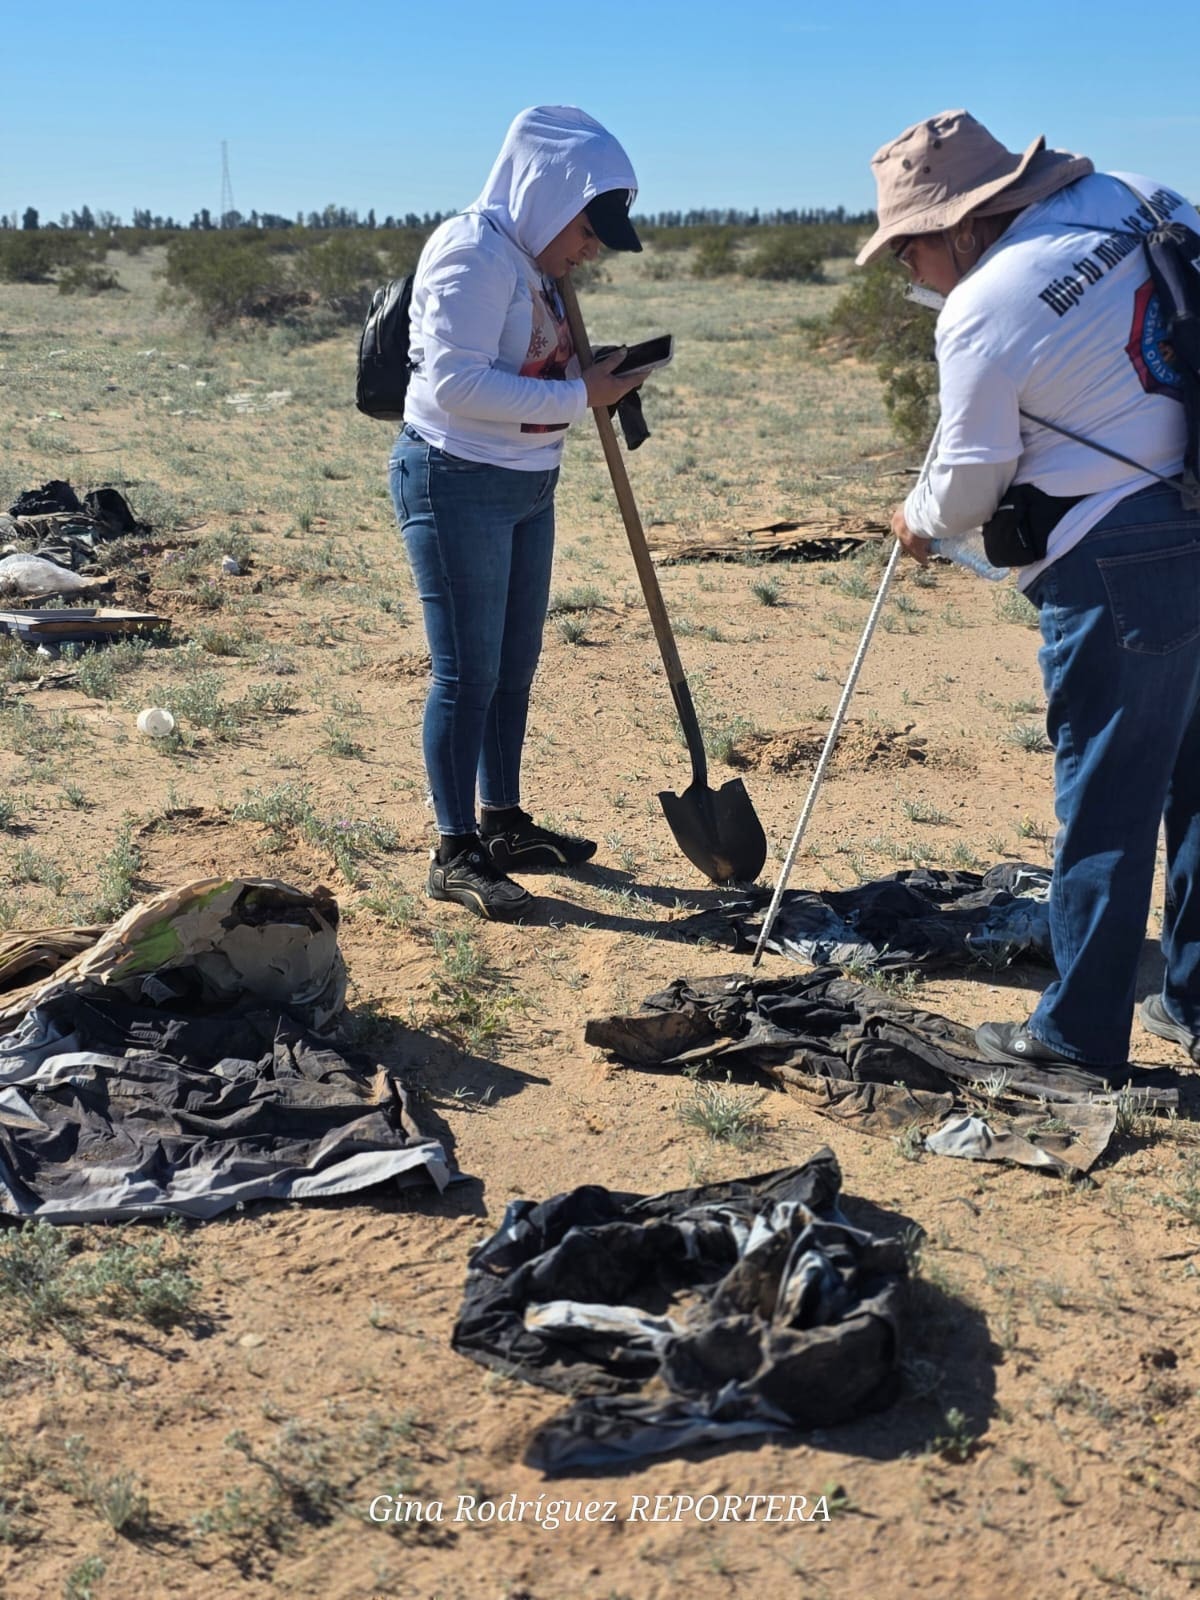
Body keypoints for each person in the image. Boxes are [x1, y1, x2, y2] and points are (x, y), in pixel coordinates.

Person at [859, 109, 1200, 1075]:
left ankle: (1079, 1041)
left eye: (907, 250)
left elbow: (968, 482)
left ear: (962, 224)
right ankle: (1194, 999)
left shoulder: (987, 304)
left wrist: (919, 521)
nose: (908, 273)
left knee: (1108, 793)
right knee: (1198, 774)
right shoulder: (1138, 194)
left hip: (1117, 556)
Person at [390, 106, 647, 920]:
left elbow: (525, 360)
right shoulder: (470, 251)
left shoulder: (536, 262)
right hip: (457, 479)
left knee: (512, 664)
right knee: (467, 674)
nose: (592, 248)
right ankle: (453, 847)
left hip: (529, 482)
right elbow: (451, 386)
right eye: (587, 227)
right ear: (545, 194)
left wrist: (592, 371)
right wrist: (580, 396)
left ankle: (502, 823)